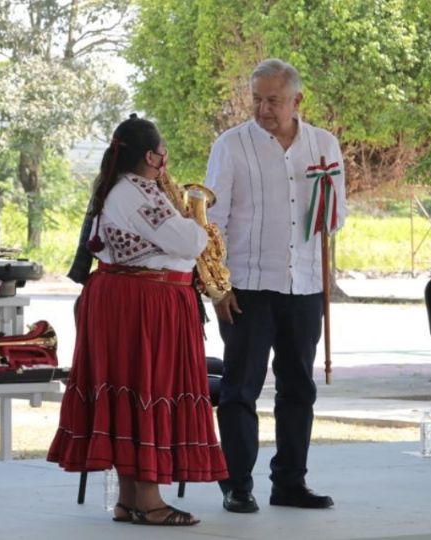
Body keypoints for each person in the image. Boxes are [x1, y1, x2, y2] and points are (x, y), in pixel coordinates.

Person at [47, 115, 228, 526]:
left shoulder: (127, 189)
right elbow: (188, 240)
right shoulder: (134, 193)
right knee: (147, 387)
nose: (166, 158)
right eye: (162, 150)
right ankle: (148, 499)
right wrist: (196, 222)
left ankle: (132, 499)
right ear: (151, 155)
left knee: (134, 389)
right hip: (142, 303)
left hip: (139, 300)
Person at [205, 58, 347, 513]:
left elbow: (336, 218)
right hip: (246, 285)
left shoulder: (324, 145)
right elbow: (213, 221)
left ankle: (290, 482)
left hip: (303, 284)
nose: (263, 109)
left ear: (297, 100)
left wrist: (325, 201)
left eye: (273, 100)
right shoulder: (230, 145)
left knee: (299, 388)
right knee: (241, 387)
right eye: (257, 99)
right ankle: (237, 484)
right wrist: (218, 286)